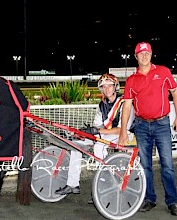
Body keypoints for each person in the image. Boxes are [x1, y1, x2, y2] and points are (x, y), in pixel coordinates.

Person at [119, 42, 177, 216]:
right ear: (136, 56)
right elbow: (127, 107)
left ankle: (172, 201)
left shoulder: (163, 72)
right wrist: (123, 131)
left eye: (147, 53)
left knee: (167, 165)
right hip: (141, 126)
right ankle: (149, 199)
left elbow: (175, 93)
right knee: (145, 165)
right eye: (141, 53)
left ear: (151, 54)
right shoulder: (131, 80)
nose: (144, 56)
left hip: (162, 124)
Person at [55, 73, 135, 203]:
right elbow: (97, 127)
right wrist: (86, 132)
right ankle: (72, 184)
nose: (106, 89)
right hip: (107, 134)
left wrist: (96, 131)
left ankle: (102, 185)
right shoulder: (101, 105)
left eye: (109, 86)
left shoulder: (125, 103)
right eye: (103, 86)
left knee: (99, 146)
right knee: (76, 144)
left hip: (124, 135)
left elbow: (121, 130)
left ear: (116, 87)